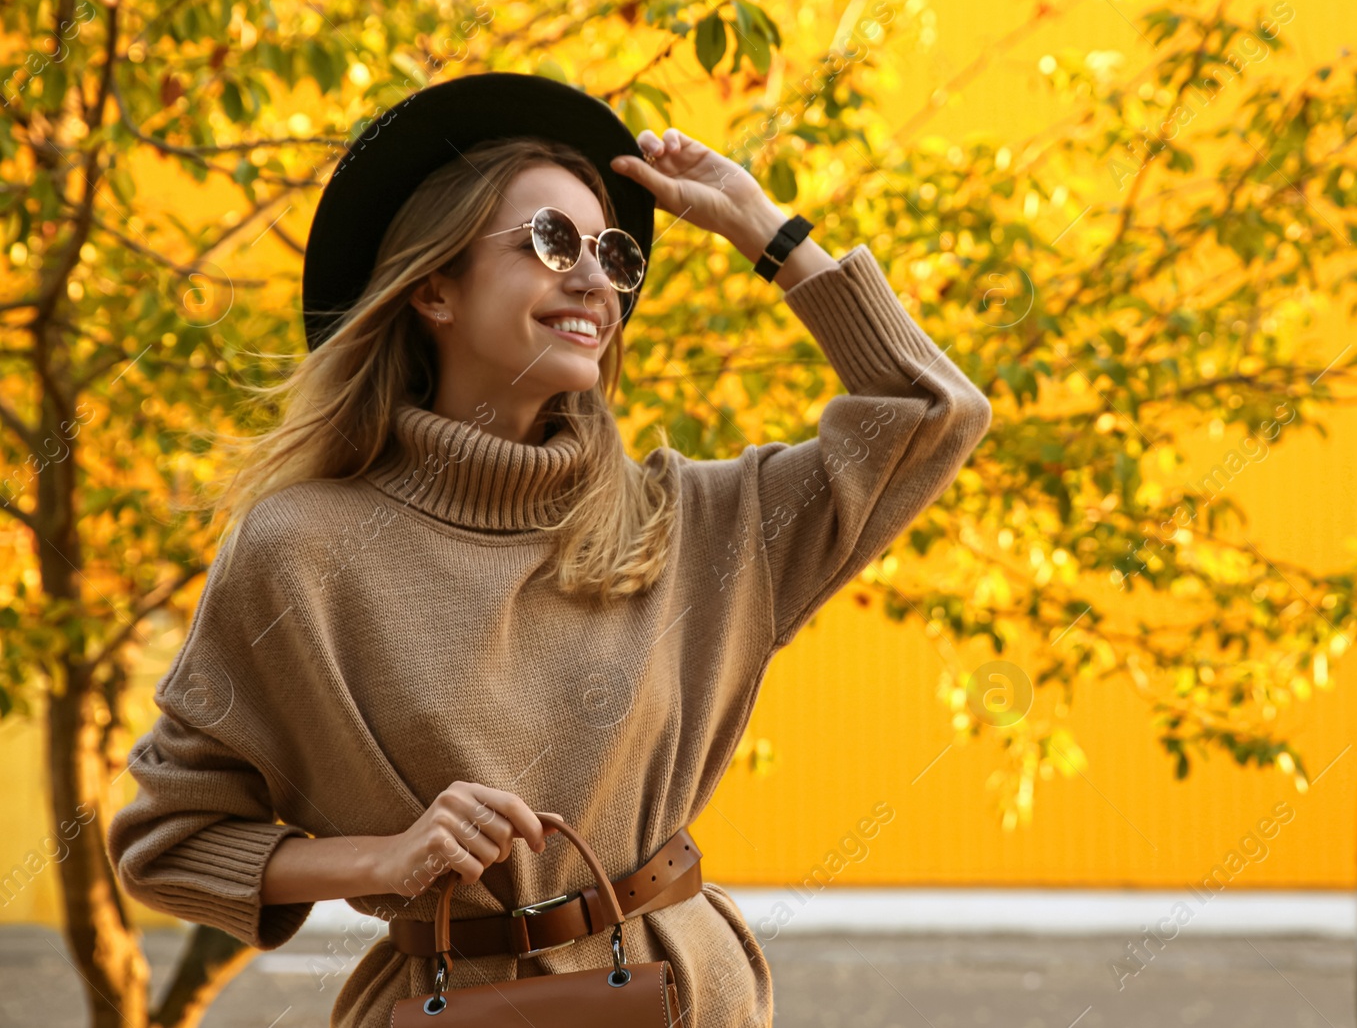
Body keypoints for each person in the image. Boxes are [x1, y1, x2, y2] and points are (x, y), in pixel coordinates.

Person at [107, 72, 992, 1028]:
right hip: (447, 1003)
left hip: (683, 994)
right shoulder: (300, 552)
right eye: (551, 241)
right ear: (434, 286)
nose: (596, 279)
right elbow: (170, 840)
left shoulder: (697, 523)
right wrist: (388, 856)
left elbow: (931, 415)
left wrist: (763, 229)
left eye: (614, 254)